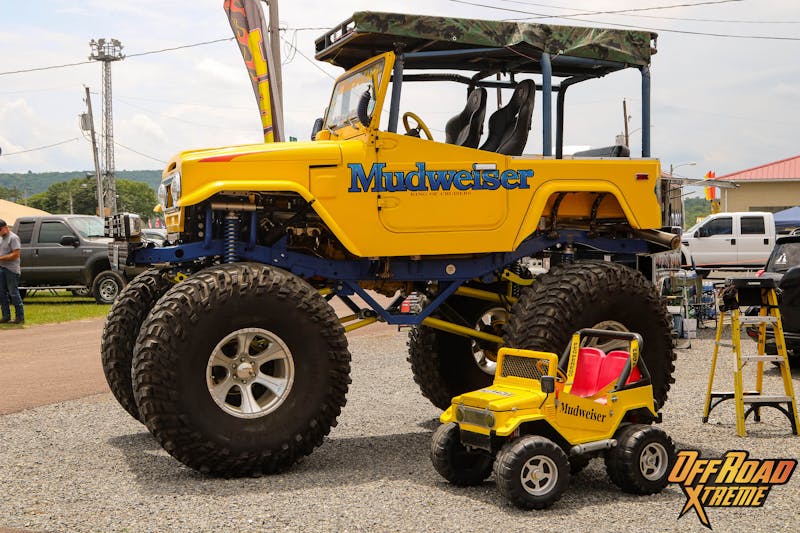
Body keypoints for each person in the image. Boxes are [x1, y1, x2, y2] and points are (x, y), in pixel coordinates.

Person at [0, 219, 24, 324]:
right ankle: (6, 316)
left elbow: (15, 255)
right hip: (2, 269)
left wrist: (1, 258)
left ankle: (19, 317)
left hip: (12, 270)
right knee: (1, 293)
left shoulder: (13, 238)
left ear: (5, 228)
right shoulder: (1, 239)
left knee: (13, 293)